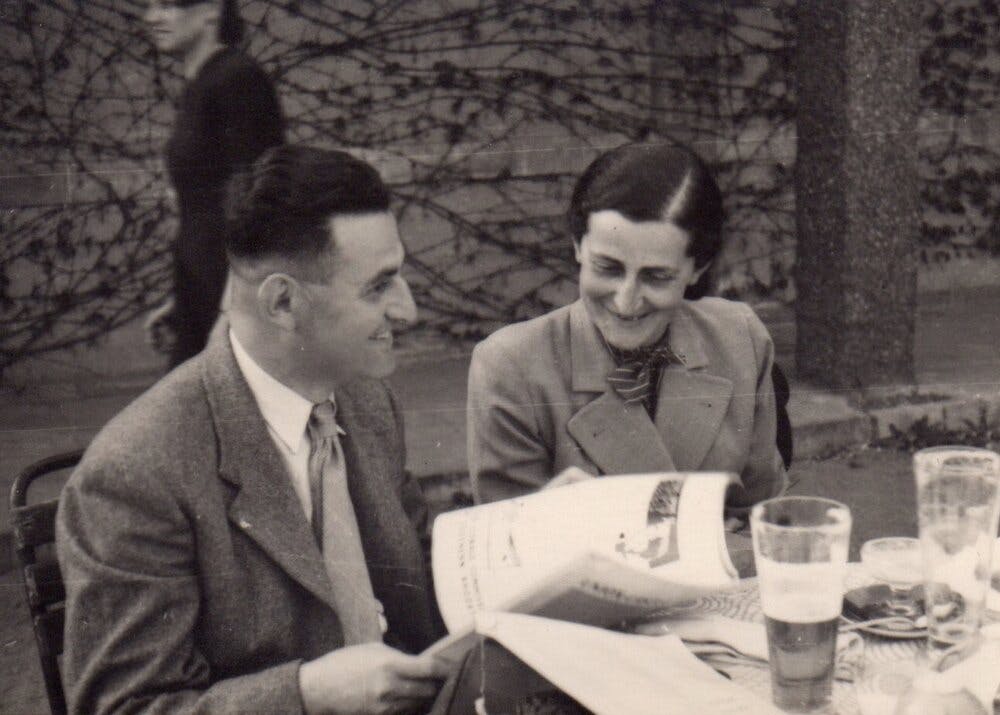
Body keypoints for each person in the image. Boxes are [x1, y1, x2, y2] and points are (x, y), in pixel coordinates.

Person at [57, 145, 448, 714]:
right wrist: (306, 694)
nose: (408, 310)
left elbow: (412, 570)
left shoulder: (364, 398)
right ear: (283, 302)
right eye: (377, 286)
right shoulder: (135, 471)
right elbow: (123, 707)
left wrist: (531, 539)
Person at [466, 142, 787, 509]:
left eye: (657, 277)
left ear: (697, 268)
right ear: (577, 247)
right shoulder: (511, 368)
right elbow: (509, 553)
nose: (625, 300)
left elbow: (766, 519)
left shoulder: (739, 338)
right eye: (607, 268)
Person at [143, 0, 285, 367]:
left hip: (230, 295)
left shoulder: (236, 79)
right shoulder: (203, 83)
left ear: (212, 10)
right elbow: (200, 205)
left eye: (169, 5)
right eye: (150, 6)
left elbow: (257, 193)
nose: (153, 17)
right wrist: (183, 297)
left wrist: (231, 304)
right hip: (202, 285)